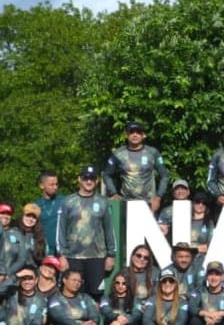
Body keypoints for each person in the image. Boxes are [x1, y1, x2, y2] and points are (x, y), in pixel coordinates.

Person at [57, 166, 117, 297]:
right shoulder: (67, 202)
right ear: (79, 179)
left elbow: (109, 229)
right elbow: (60, 230)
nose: (89, 182)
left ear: (97, 181)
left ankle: (95, 318)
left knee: (97, 293)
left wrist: (111, 255)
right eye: (85, 178)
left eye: (92, 179)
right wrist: (61, 255)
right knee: (74, 293)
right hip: (73, 257)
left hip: (97, 257)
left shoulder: (103, 202)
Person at [104, 119, 170, 213]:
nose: (135, 135)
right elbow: (106, 174)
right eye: (131, 132)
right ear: (126, 135)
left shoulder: (152, 152)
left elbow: (165, 175)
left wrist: (158, 197)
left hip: (148, 204)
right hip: (126, 203)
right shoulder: (118, 154)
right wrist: (113, 193)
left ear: (143, 135)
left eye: (138, 132)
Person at [35, 171, 64, 255]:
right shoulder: (36, 206)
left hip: (62, 252)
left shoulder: (64, 201)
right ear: (42, 185)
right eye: (51, 184)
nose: (55, 187)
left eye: (56, 184)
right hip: (44, 252)